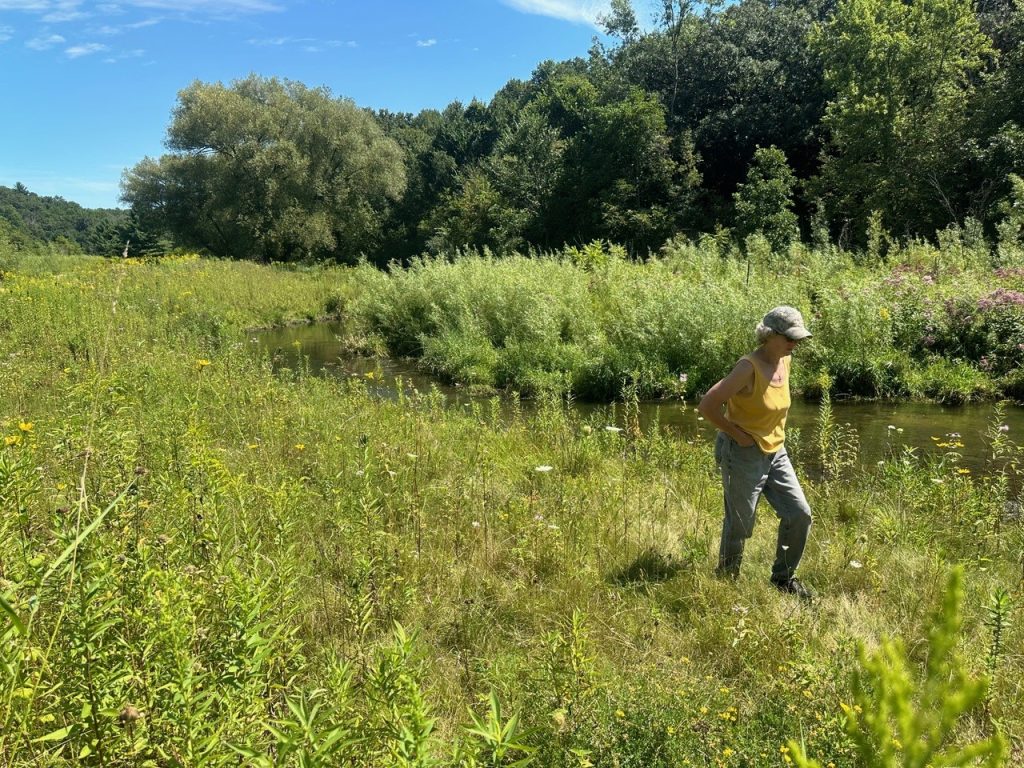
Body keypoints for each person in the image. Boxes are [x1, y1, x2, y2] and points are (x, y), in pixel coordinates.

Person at [697, 306, 813, 600]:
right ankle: (726, 582)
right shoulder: (747, 367)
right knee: (740, 522)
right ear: (770, 335)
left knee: (799, 514)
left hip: (777, 452)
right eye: (789, 338)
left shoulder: (785, 360)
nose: (794, 344)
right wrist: (737, 435)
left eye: (797, 339)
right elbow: (708, 405)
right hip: (743, 453)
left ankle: (783, 579)